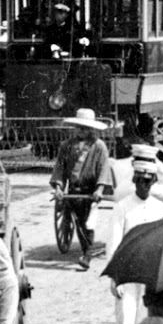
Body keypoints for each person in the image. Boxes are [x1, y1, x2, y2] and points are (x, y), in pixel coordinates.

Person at [103, 146, 163, 324]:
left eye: (148, 181)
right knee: (126, 317)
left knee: (146, 317)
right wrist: (114, 276)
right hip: (127, 269)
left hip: (151, 270)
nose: (144, 185)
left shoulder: (161, 208)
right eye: (139, 181)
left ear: (154, 180)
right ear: (134, 179)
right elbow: (113, 243)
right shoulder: (122, 207)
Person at [51, 108, 111, 272]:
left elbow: (104, 169)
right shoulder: (67, 146)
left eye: (85, 128)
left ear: (91, 129)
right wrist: (58, 187)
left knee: (88, 223)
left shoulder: (99, 147)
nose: (81, 131)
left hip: (91, 191)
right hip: (73, 190)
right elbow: (59, 169)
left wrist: (99, 189)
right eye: (79, 127)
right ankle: (87, 250)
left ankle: (87, 255)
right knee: (78, 222)